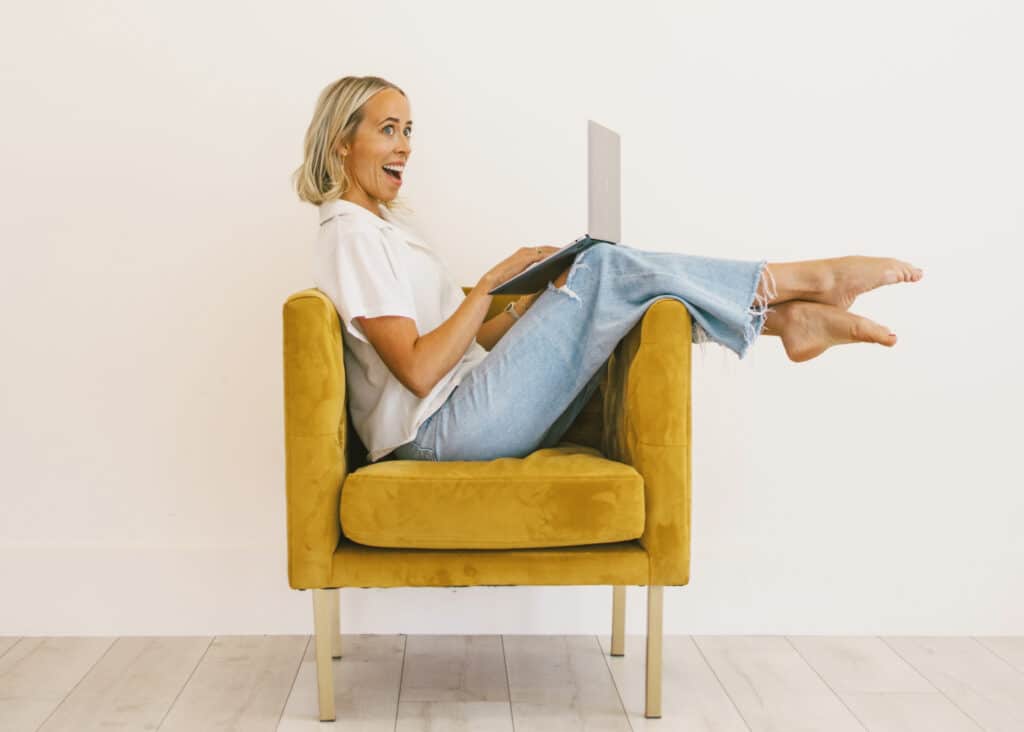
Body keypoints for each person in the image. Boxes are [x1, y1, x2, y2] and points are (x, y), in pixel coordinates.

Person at [294, 76, 924, 464]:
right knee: (607, 269)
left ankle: (785, 322)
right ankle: (803, 285)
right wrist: (486, 284)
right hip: (435, 436)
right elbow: (418, 367)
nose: (405, 145)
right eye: (387, 130)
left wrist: (527, 307)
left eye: (408, 130)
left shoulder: (385, 230)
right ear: (342, 143)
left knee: (605, 281)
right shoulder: (348, 234)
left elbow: (457, 346)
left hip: (465, 409)